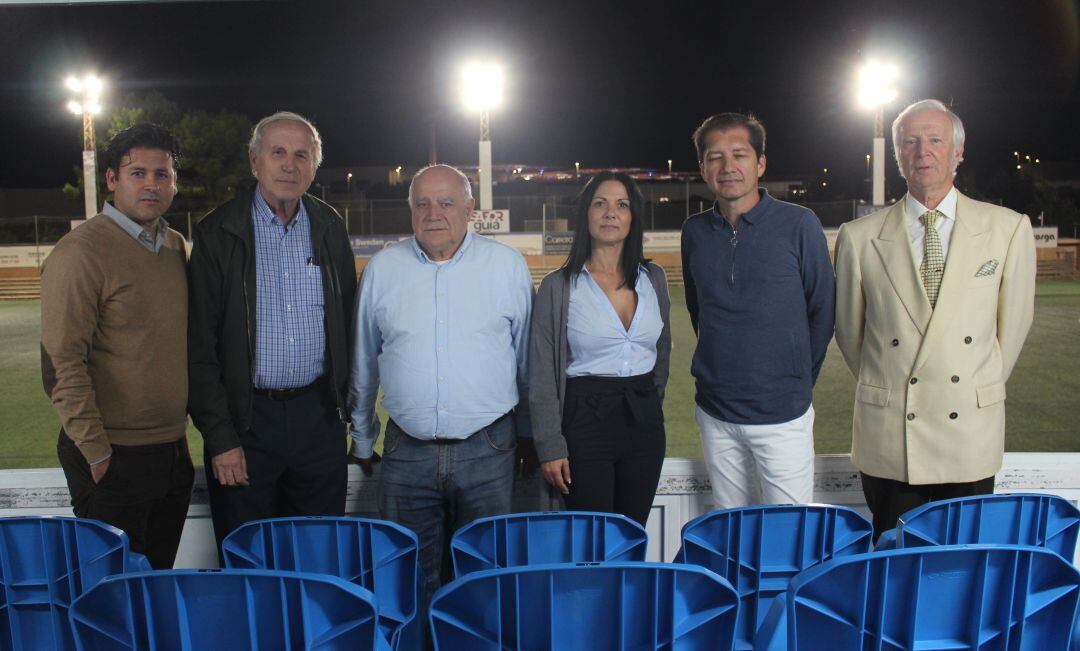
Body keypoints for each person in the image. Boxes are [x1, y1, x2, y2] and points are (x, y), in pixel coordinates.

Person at [834, 99, 1036, 540]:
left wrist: (977, 386)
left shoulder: (1008, 229)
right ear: (898, 156)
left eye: (935, 140)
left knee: (965, 572)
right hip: (891, 438)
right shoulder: (859, 237)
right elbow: (851, 336)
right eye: (909, 142)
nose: (922, 150)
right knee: (895, 569)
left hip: (969, 436)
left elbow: (1013, 329)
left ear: (958, 152)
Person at [348, 164, 535, 599]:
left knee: (485, 583)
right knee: (409, 584)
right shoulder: (383, 269)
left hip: (489, 449)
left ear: (470, 209)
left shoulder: (506, 267)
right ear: (410, 210)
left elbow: (528, 362)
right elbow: (363, 362)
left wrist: (528, 433)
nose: (433, 213)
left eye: (446, 202)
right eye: (422, 203)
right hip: (406, 452)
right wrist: (361, 437)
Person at [187, 111, 357, 549]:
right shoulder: (216, 234)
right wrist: (221, 439)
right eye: (277, 152)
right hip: (247, 424)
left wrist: (345, 412)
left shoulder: (330, 227)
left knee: (319, 555)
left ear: (314, 167)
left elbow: (348, 322)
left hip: (317, 420)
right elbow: (199, 348)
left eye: (302, 155)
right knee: (249, 559)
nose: (289, 164)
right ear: (254, 161)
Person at [42, 123, 193, 568]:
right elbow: (61, 362)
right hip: (112, 457)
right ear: (111, 179)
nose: (151, 184)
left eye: (162, 174)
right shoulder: (80, 253)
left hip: (171, 452)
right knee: (111, 602)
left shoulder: (174, 246)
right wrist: (96, 452)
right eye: (138, 173)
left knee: (154, 586)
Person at [682, 112, 835, 509]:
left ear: (760, 163)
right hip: (716, 412)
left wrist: (795, 380)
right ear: (703, 167)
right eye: (715, 157)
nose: (727, 166)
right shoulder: (694, 232)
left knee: (789, 534)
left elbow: (822, 311)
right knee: (731, 533)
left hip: (783, 414)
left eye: (739, 154)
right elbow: (700, 311)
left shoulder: (799, 224)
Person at [530, 171, 671, 527]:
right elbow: (542, 372)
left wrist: (650, 402)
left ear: (633, 216)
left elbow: (662, 351)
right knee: (593, 540)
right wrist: (550, 445)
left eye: (622, 205)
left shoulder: (653, 279)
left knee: (632, 534)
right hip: (585, 421)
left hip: (644, 423)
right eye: (600, 204)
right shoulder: (558, 286)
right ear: (586, 214)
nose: (611, 213)